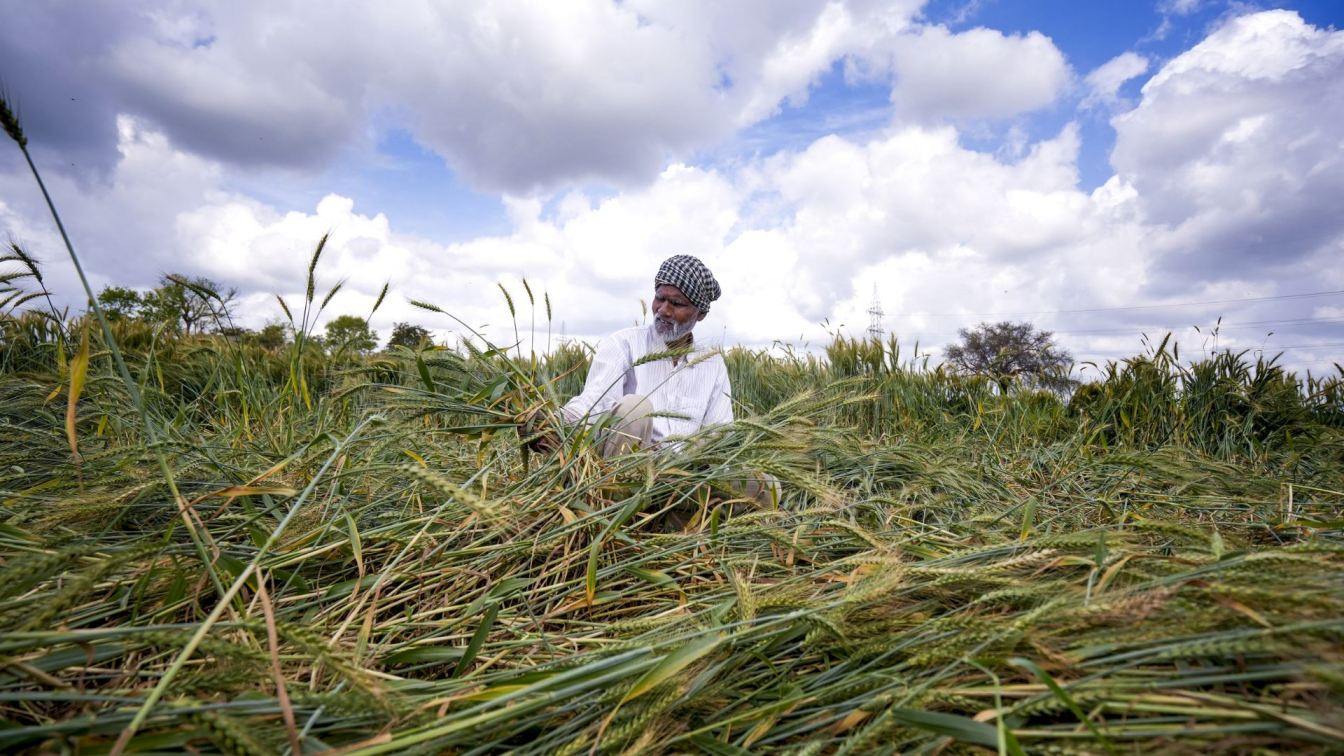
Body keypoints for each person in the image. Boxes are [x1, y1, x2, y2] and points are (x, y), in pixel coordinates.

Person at [545, 255, 779, 507]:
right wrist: (550, 423)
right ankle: (616, 513)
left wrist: (690, 465)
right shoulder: (624, 344)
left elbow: (720, 434)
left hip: (684, 476)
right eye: (660, 298)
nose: (663, 310)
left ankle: (679, 515)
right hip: (628, 470)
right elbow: (593, 404)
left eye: (676, 303)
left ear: (699, 314)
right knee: (634, 407)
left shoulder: (712, 364)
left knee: (769, 487)